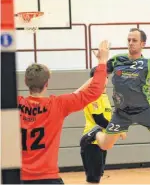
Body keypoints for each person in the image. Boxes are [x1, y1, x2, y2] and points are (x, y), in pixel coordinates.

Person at [18, 40, 110, 184]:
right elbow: (95, 91)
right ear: (47, 84)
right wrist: (102, 61)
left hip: (19, 179)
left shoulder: (14, 105)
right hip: (48, 178)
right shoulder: (58, 105)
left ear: (26, 81)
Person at [81, 67, 126, 183]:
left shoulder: (104, 96)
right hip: (91, 141)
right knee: (93, 179)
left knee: (97, 177)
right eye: (102, 77)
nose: (106, 79)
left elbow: (108, 118)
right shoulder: (92, 96)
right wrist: (118, 129)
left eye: (106, 77)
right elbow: (99, 120)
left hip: (101, 141)